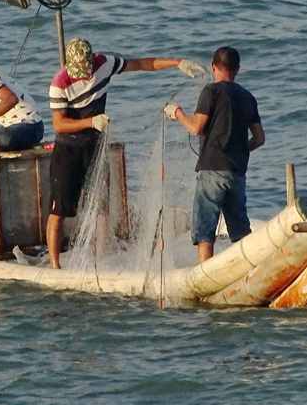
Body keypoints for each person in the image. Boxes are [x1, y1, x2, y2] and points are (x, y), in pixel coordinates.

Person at [46, 37, 207, 269]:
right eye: (79, 72)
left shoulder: (103, 63)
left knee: (102, 204)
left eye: (86, 70)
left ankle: (100, 260)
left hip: (96, 146)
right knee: (59, 209)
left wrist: (177, 62)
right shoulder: (60, 83)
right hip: (68, 149)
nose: (84, 75)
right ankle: (55, 265)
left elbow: (141, 64)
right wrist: (91, 121)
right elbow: (59, 124)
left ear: (92, 61)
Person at [164, 46, 264, 263]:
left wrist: (177, 112)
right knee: (240, 231)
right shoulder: (248, 97)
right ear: (237, 69)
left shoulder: (211, 91)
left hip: (211, 170)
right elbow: (259, 139)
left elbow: (196, 128)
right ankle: (247, 272)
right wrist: (238, 150)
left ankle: (204, 274)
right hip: (236, 171)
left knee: (205, 231)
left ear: (213, 67)